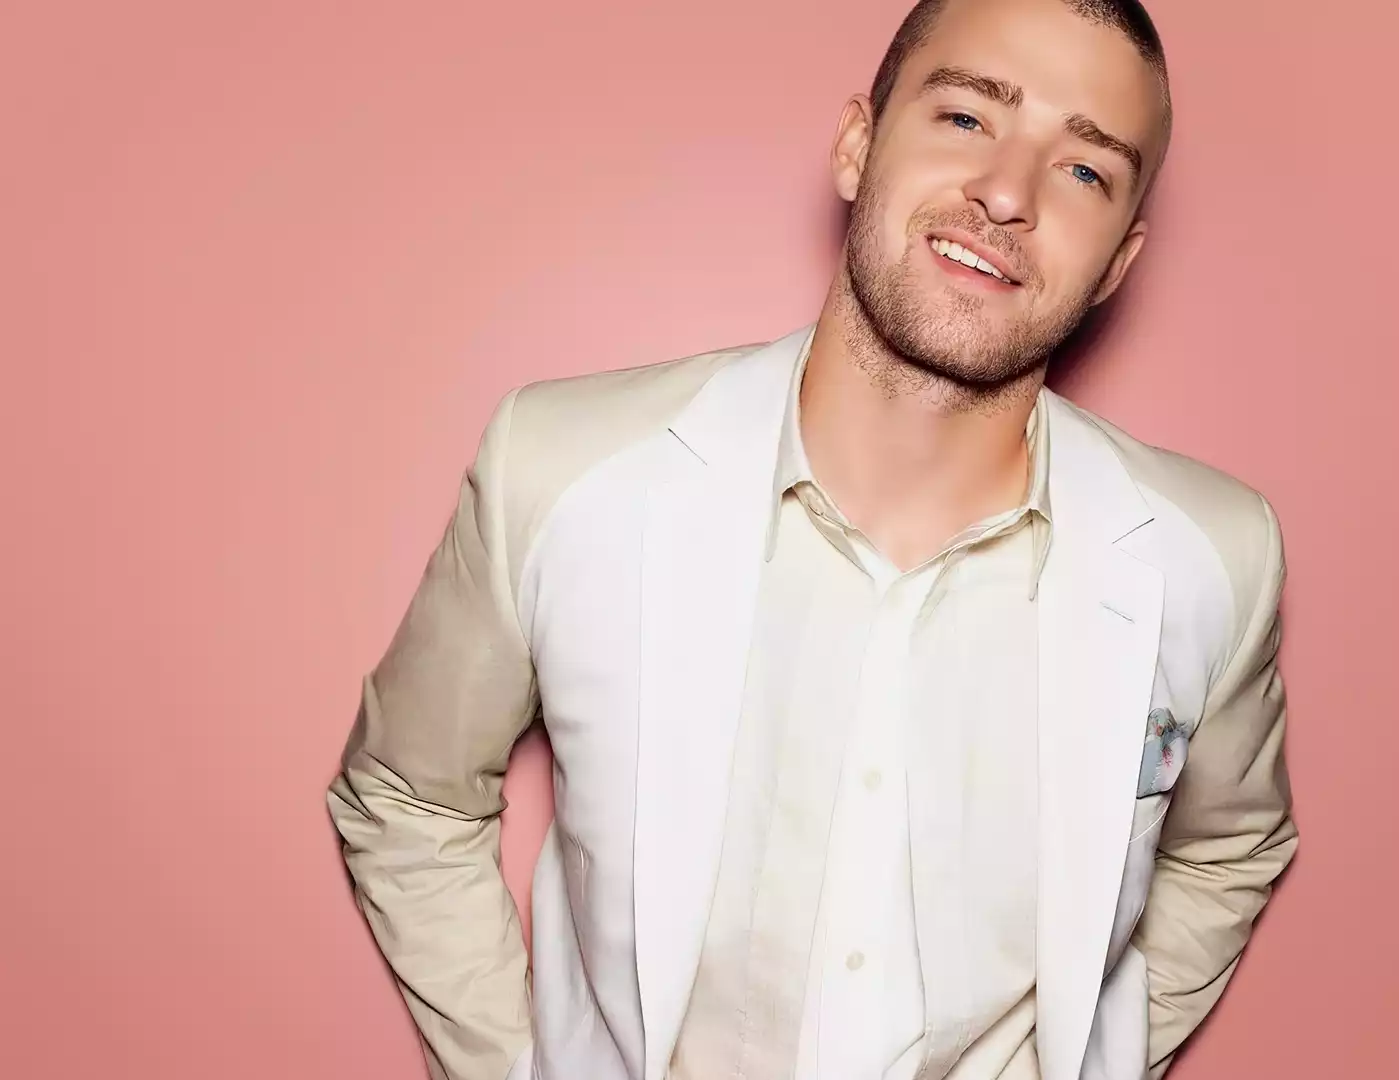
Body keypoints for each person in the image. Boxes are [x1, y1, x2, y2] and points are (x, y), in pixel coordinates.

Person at [325, 0, 1296, 1077]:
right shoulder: (558, 470)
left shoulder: (1214, 558)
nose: (1008, 194)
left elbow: (1232, 844)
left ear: (1117, 263)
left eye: (1084, 170)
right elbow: (406, 791)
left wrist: (1103, 1058)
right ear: (856, 146)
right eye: (967, 117)